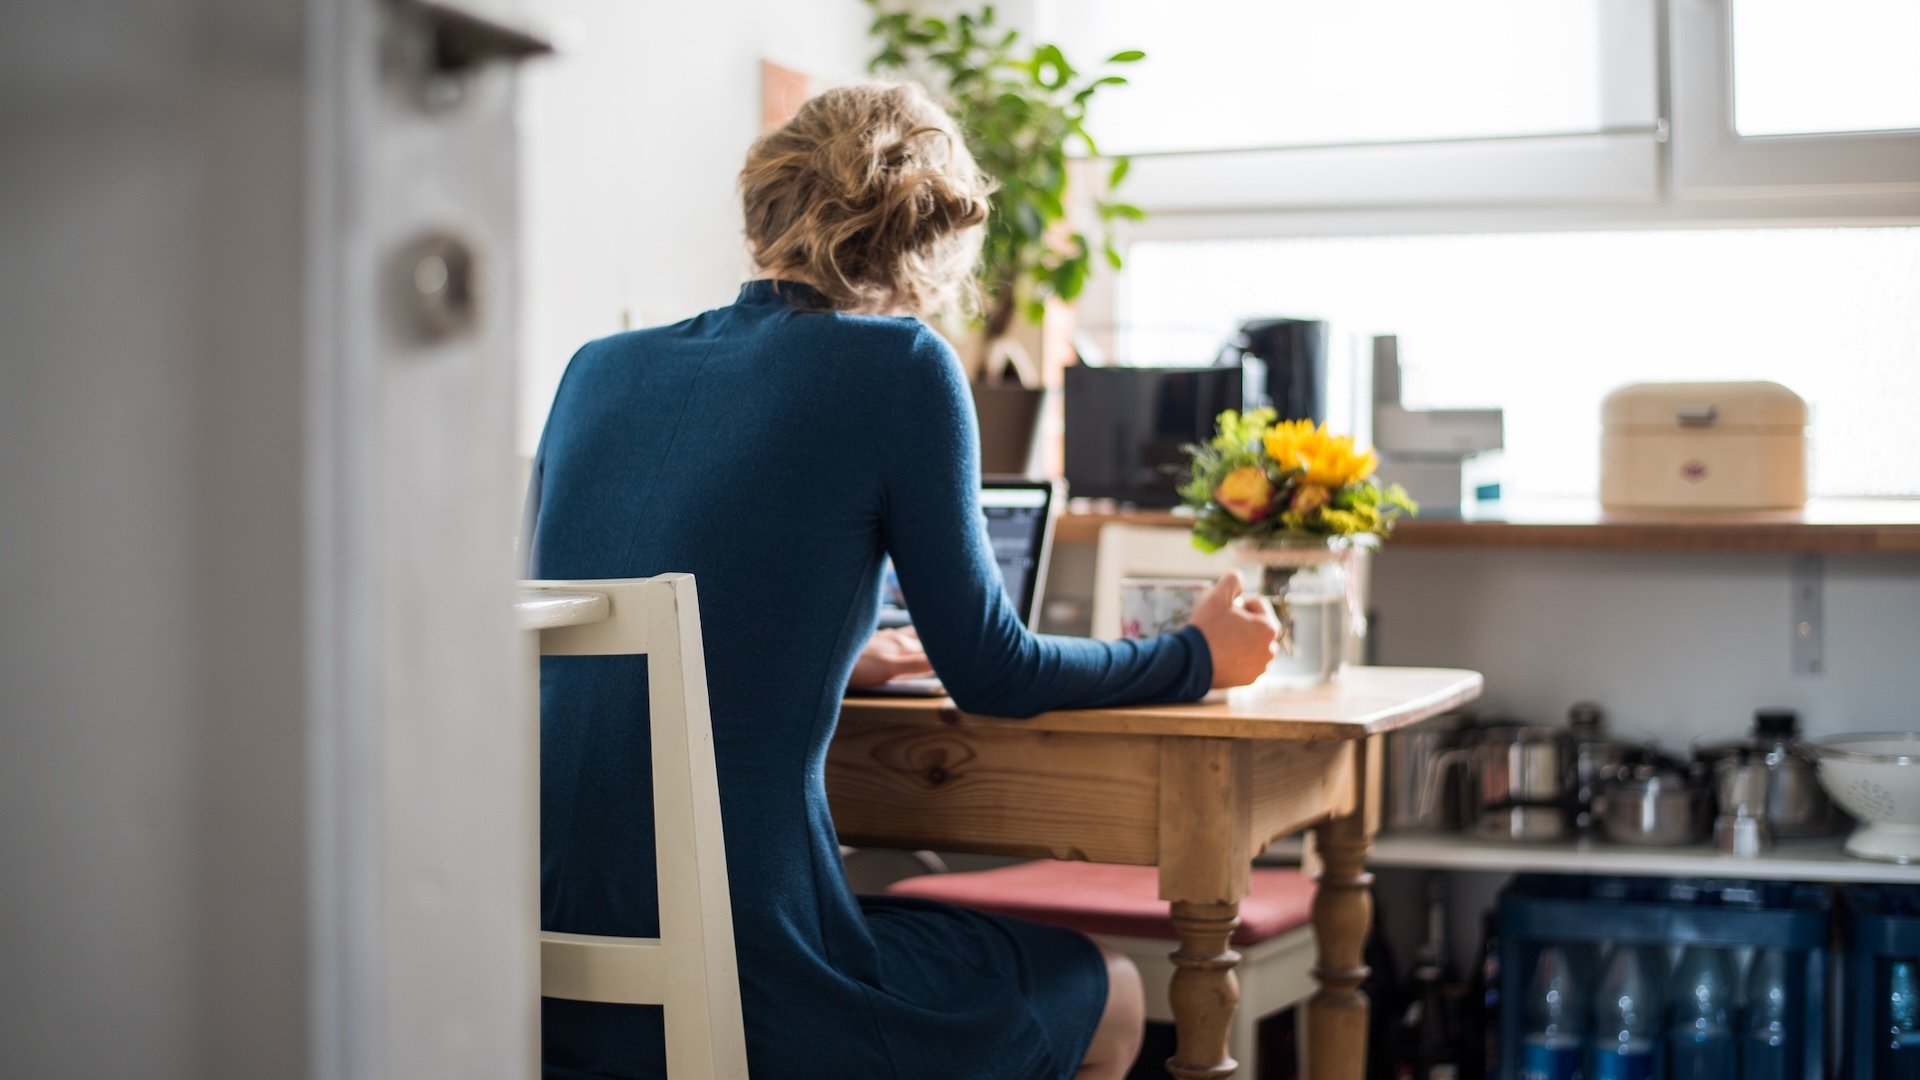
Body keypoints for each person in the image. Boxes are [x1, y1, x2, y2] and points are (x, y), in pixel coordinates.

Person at [529, 81, 1279, 1080]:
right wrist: (1196, 655)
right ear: (933, 236)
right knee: (1115, 991)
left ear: (768, 209)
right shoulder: (897, 366)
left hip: (550, 979)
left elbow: (649, 626)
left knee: (922, 919)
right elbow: (995, 673)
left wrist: (834, 659)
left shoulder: (595, 370)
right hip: (753, 984)